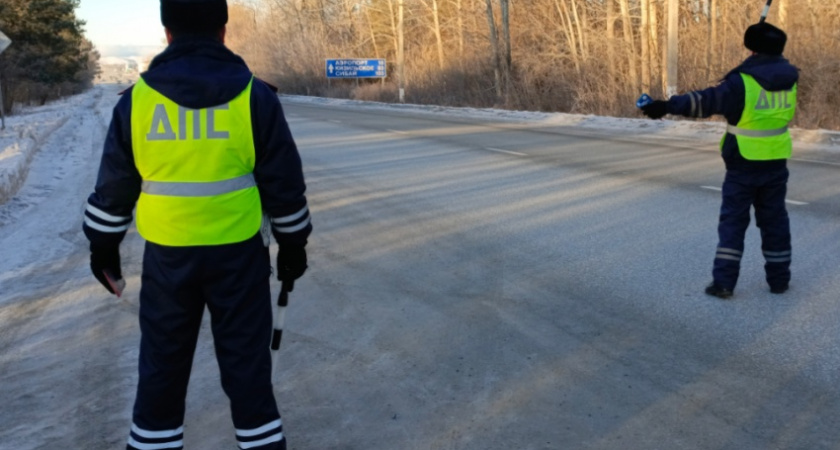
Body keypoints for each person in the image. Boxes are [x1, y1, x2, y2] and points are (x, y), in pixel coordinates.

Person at [81, 1, 311, 448]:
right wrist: (294, 242)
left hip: (168, 260)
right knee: (248, 374)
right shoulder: (254, 95)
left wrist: (102, 246)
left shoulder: (138, 101)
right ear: (223, 31)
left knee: (161, 373)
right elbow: (284, 182)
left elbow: (114, 186)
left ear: (167, 33)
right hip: (239, 256)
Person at [640, 22, 798, 299]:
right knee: (774, 221)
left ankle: (724, 283)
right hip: (775, 158)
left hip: (743, 162)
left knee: (733, 223)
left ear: (751, 49)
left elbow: (705, 101)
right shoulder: (790, 77)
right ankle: (779, 281)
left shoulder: (742, 81)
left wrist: (664, 106)